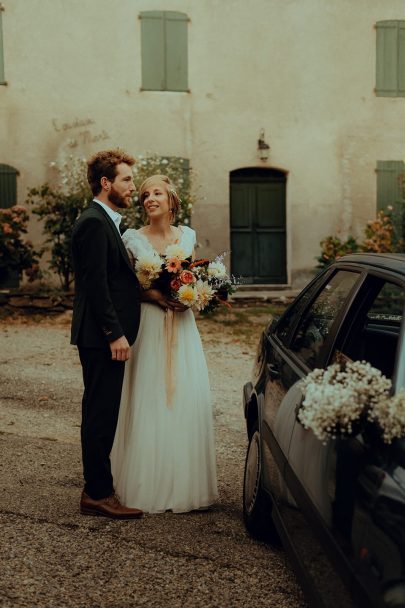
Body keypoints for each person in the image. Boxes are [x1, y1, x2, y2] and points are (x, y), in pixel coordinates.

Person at [110, 174, 218, 513]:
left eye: (156, 193)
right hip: (150, 324)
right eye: (144, 195)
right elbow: (125, 287)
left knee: (184, 396)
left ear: (171, 201)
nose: (148, 199)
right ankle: (146, 484)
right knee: (149, 395)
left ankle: (184, 483)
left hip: (182, 327)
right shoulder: (131, 239)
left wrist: (192, 296)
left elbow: (194, 276)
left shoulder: (187, 236)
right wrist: (156, 294)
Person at [71, 149, 143, 519]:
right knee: (100, 413)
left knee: (104, 411)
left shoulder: (108, 221)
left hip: (104, 336)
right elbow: (95, 286)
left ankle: (100, 488)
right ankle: (97, 493)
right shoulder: (94, 223)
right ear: (106, 183)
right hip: (101, 338)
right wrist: (114, 333)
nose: (134, 186)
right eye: (127, 179)